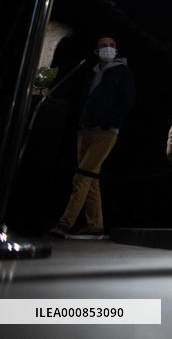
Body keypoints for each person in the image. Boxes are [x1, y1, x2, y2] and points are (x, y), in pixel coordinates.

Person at [48, 36, 134, 239]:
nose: (108, 48)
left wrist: (109, 122)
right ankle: (96, 225)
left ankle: (64, 225)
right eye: (104, 46)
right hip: (85, 130)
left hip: (105, 132)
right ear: (96, 51)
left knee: (82, 176)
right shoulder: (92, 71)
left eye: (112, 45)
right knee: (91, 180)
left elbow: (127, 102)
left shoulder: (122, 71)